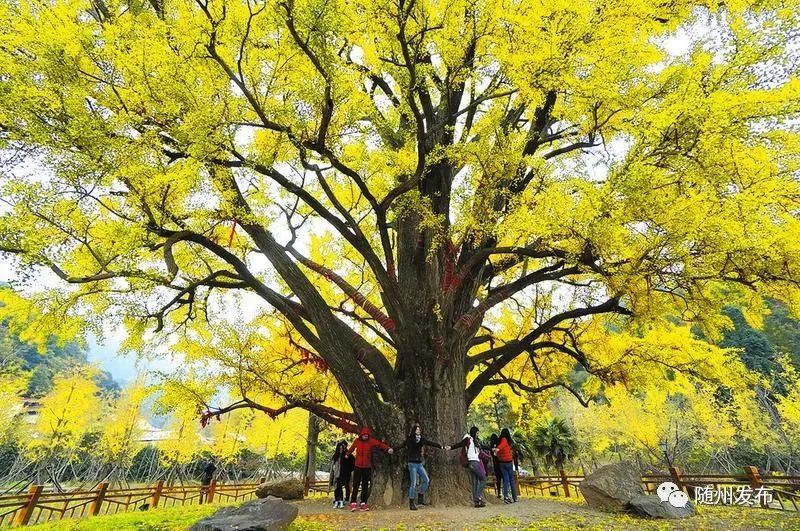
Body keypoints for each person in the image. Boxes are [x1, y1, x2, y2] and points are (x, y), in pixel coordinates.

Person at [394, 424, 444, 510]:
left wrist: (441, 446)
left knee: (426, 480)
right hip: (412, 464)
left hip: (419, 464)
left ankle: (420, 496)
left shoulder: (421, 439)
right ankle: (411, 503)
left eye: (419, 430)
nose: (418, 431)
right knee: (413, 483)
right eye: (417, 430)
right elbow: (401, 445)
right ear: (414, 431)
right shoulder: (409, 439)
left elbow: (430, 443)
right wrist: (393, 449)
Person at [347, 427, 394, 512]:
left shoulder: (371, 441)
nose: (365, 437)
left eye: (367, 436)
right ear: (361, 435)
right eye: (364, 435)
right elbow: (352, 448)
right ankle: (353, 502)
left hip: (367, 466)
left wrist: (388, 448)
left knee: (365, 485)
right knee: (356, 484)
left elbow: (379, 444)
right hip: (358, 466)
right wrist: (347, 454)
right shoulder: (357, 441)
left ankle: (363, 503)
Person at [446, 426, 489, 507]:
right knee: (483, 478)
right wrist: (451, 447)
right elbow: (460, 444)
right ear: (473, 432)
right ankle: (477, 497)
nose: (477, 434)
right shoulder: (468, 439)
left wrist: (492, 449)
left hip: (474, 463)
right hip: (473, 463)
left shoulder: (476, 441)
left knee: (475, 483)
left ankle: (476, 503)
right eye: (477, 433)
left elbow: (483, 446)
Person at [495, 428, 518, 503]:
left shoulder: (502, 440)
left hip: (502, 462)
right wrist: (498, 449)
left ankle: (506, 497)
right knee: (511, 480)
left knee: (506, 480)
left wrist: (497, 450)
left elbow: (500, 447)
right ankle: (515, 497)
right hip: (508, 462)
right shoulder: (506, 440)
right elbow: (502, 446)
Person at [329, 440, 355, 509]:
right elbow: (332, 467)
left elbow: (352, 465)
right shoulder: (335, 456)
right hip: (337, 474)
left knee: (346, 486)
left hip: (346, 474)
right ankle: (337, 500)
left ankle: (345, 499)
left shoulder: (348, 455)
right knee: (337, 487)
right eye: (340, 448)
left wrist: (349, 471)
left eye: (342, 447)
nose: (341, 449)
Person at [489, 433, 502, 499]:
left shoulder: (491, 446)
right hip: (501, 463)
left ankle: (499, 492)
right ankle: (506, 492)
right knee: (504, 478)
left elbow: (492, 454)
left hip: (495, 464)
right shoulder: (499, 444)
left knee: (498, 479)